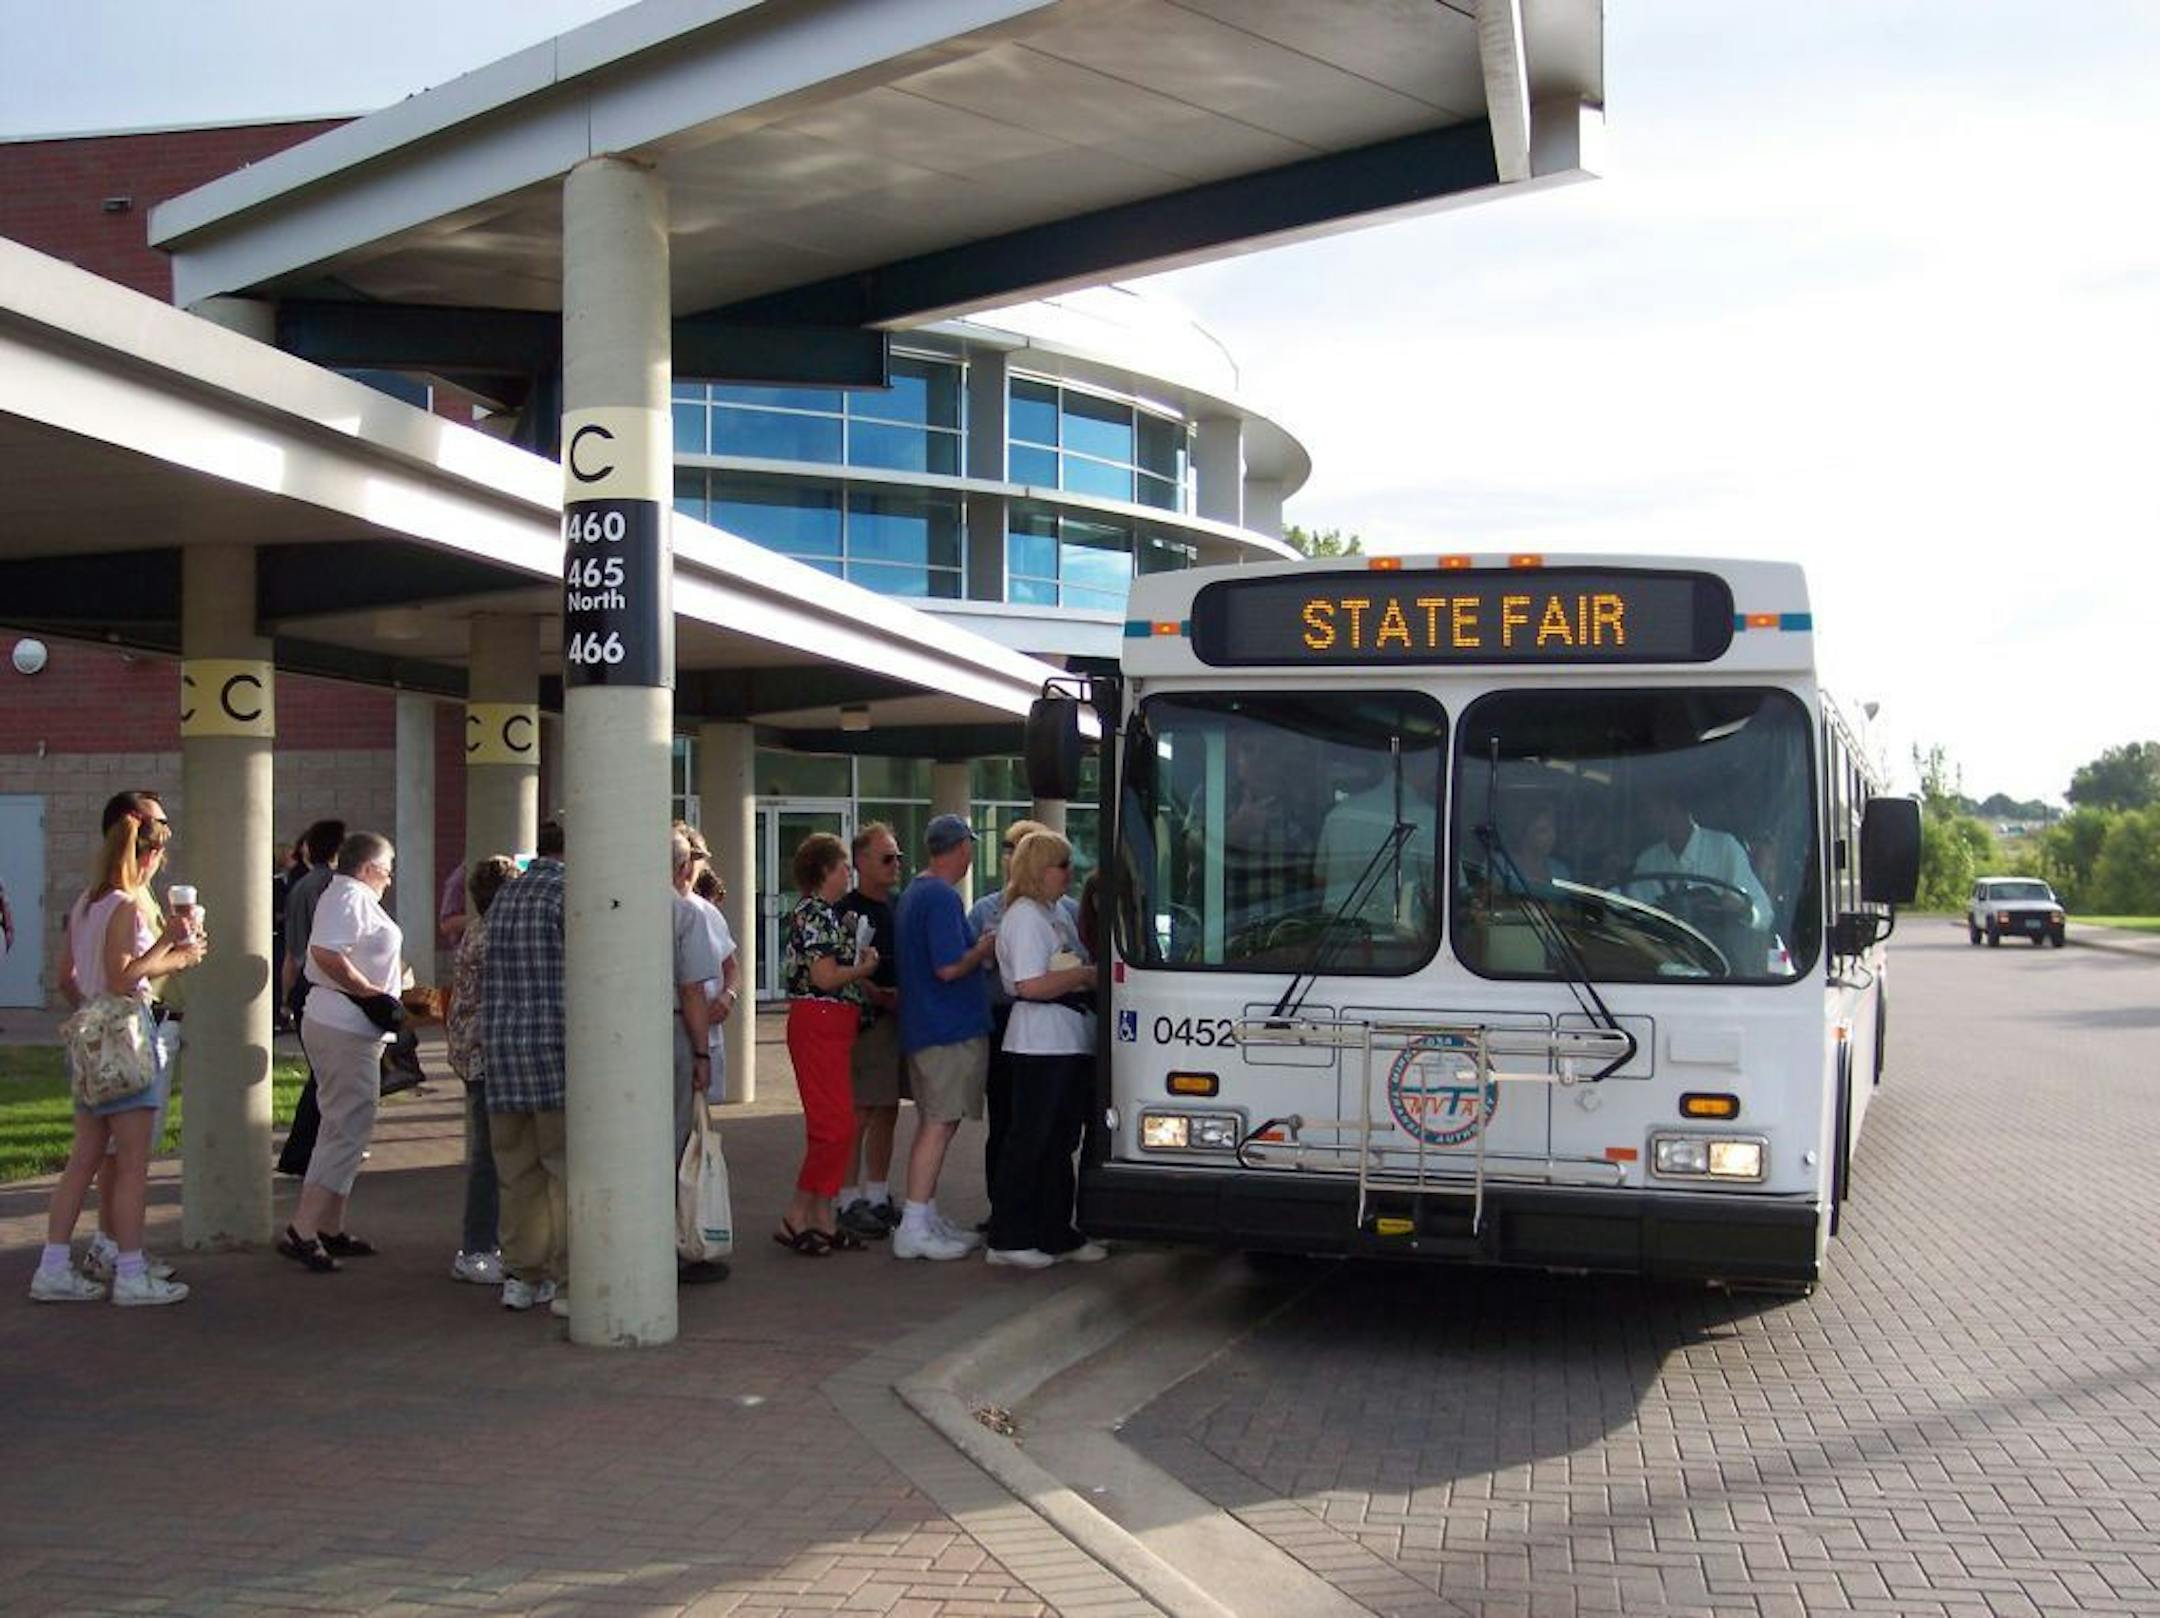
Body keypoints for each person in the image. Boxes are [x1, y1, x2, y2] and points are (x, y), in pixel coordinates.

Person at [33, 794, 204, 1305]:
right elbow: (124, 974)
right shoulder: (128, 905)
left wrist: (91, 1010)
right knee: (131, 1164)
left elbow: (69, 976)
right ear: (149, 856)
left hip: (89, 1038)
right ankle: (130, 1273)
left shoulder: (88, 900)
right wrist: (174, 951)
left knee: (83, 1159)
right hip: (128, 1037)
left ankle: (53, 1265)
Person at [280, 831, 403, 1274]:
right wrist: (372, 995)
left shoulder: (350, 897)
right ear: (369, 867)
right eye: (388, 869)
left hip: (346, 1027)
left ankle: (330, 1225)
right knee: (345, 1125)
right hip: (343, 1028)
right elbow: (326, 953)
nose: (390, 878)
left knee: (347, 1123)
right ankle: (304, 1228)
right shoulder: (349, 896)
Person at [987, 830, 1104, 1269]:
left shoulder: (1054, 913)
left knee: (1058, 1141)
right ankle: (1009, 1233)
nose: (1069, 874)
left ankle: (1055, 1229)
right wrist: (1081, 977)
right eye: (1062, 865)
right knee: (1030, 1140)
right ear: (1040, 870)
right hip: (1038, 1043)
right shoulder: (1024, 918)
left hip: (1066, 1038)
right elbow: (1029, 985)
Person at [891, 814, 999, 1262]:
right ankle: (914, 1223)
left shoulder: (916, 892)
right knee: (939, 1123)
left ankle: (924, 1212)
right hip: (946, 1027)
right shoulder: (939, 897)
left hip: (926, 1025)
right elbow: (948, 967)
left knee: (935, 1119)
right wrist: (983, 948)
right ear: (961, 849)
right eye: (969, 846)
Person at [776, 831, 880, 1256]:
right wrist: (863, 968)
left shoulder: (825, 913)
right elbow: (823, 978)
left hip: (829, 1024)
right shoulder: (817, 913)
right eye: (842, 867)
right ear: (824, 871)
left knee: (838, 1125)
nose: (847, 875)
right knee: (833, 1125)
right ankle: (798, 1213)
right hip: (819, 1020)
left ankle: (821, 1214)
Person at [482, 817, 569, 1313]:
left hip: (504, 1049)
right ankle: (564, 1272)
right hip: (555, 1049)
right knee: (563, 1169)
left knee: (515, 1171)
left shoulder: (505, 898)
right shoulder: (567, 897)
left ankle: (520, 1273)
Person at [967, 820, 1073, 1217]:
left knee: (1051, 1134)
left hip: (1055, 1030)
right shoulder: (1005, 912)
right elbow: (1027, 983)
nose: (1010, 854)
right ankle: (1009, 1222)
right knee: (1018, 1129)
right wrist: (1078, 975)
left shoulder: (1062, 910)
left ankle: (1048, 1223)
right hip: (1015, 1026)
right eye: (1010, 847)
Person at [444, 853, 518, 1286]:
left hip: (475, 1052)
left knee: (494, 1153)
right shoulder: (493, 936)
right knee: (489, 1156)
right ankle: (476, 1247)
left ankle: (492, 1241)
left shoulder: (476, 930)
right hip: (485, 1054)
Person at [835, 822, 904, 1241]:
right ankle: (846, 1199)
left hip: (897, 1018)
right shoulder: (848, 910)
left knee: (888, 1109)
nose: (895, 865)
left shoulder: (898, 905)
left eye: (898, 857)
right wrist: (873, 992)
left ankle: (877, 1193)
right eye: (886, 858)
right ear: (861, 862)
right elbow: (839, 965)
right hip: (865, 1023)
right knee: (860, 1111)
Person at [668, 827, 729, 1286]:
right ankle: (677, 1243)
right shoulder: (682, 912)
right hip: (673, 1032)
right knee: (678, 1144)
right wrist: (701, 1052)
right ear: (685, 866)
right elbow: (691, 990)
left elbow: (729, 966)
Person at [276, 817, 347, 1177]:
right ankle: (305, 1151)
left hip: (304, 983)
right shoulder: (336, 888)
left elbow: (291, 951)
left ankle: (306, 1151)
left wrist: (288, 998)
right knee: (329, 1076)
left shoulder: (301, 887)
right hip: (327, 983)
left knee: (322, 1073)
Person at [1631, 785, 1773, 928]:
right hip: (1660, 946)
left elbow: (1764, 914)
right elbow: (1632, 911)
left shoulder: (1724, 847)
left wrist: (1741, 909)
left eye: (1649, 809)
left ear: (1673, 808)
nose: (1645, 817)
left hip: (1714, 947)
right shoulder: (1647, 861)